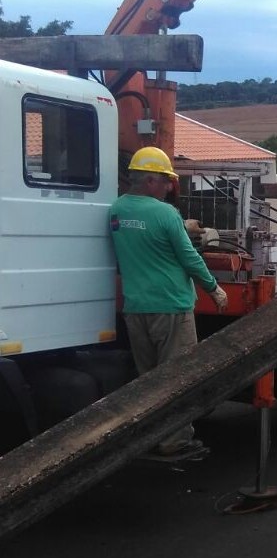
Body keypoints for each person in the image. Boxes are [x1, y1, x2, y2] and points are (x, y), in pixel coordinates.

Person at [110, 146, 228, 456]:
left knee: (148, 379)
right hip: (171, 307)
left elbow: (142, 236)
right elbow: (189, 258)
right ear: (150, 180)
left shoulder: (117, 211)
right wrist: (214, 288)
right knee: (177, 378)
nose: (169, 187)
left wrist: (179, 227)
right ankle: (174, 440)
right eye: (165, 181)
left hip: (136, 308)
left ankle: (150, 437)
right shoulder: (165, 214)